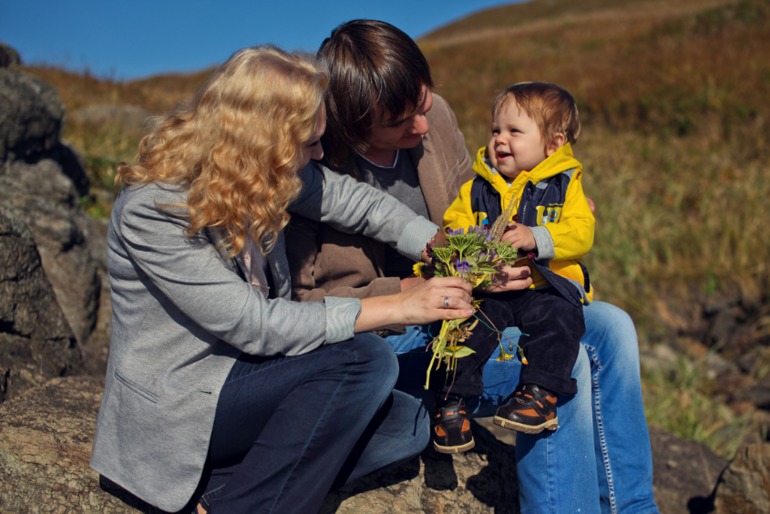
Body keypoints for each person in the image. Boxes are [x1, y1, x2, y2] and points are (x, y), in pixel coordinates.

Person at [287, 19, 660, 513]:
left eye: (423, 104)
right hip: (393, 339)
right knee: (553, 360)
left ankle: (635, 507)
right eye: (401, 122)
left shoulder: (435, 116)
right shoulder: (314, 169)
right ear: (353, 126)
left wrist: (531, 225)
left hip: (476, 304)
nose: (422, 127)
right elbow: (308, 305)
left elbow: (479, 200)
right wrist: (420, 291)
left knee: (612, 326)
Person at [90, 45, 479, 514]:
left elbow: (359, 204)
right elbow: (253, 324)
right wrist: (399, 306)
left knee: (408, 423)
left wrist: (443, 247)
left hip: (259, 381)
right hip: (186, 403)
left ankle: (220, 493)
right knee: (364, 361)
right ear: (263, 142)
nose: (321, 153)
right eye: (311, 143)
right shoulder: (154, 211)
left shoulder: (264, 174)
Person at [429, 81, 594, 454]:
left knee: (563, 322)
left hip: (543, 286)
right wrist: (463, 241)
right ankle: (453, 403)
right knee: (466, 325)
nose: (500, 140)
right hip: (490, 288)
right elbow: (452, 226)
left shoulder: (565, 184)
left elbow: (582, 231)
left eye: (514, 131)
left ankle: (538, 394)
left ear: (553, 144)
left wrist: (537, 236)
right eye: (495, 130)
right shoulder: (476, 188)